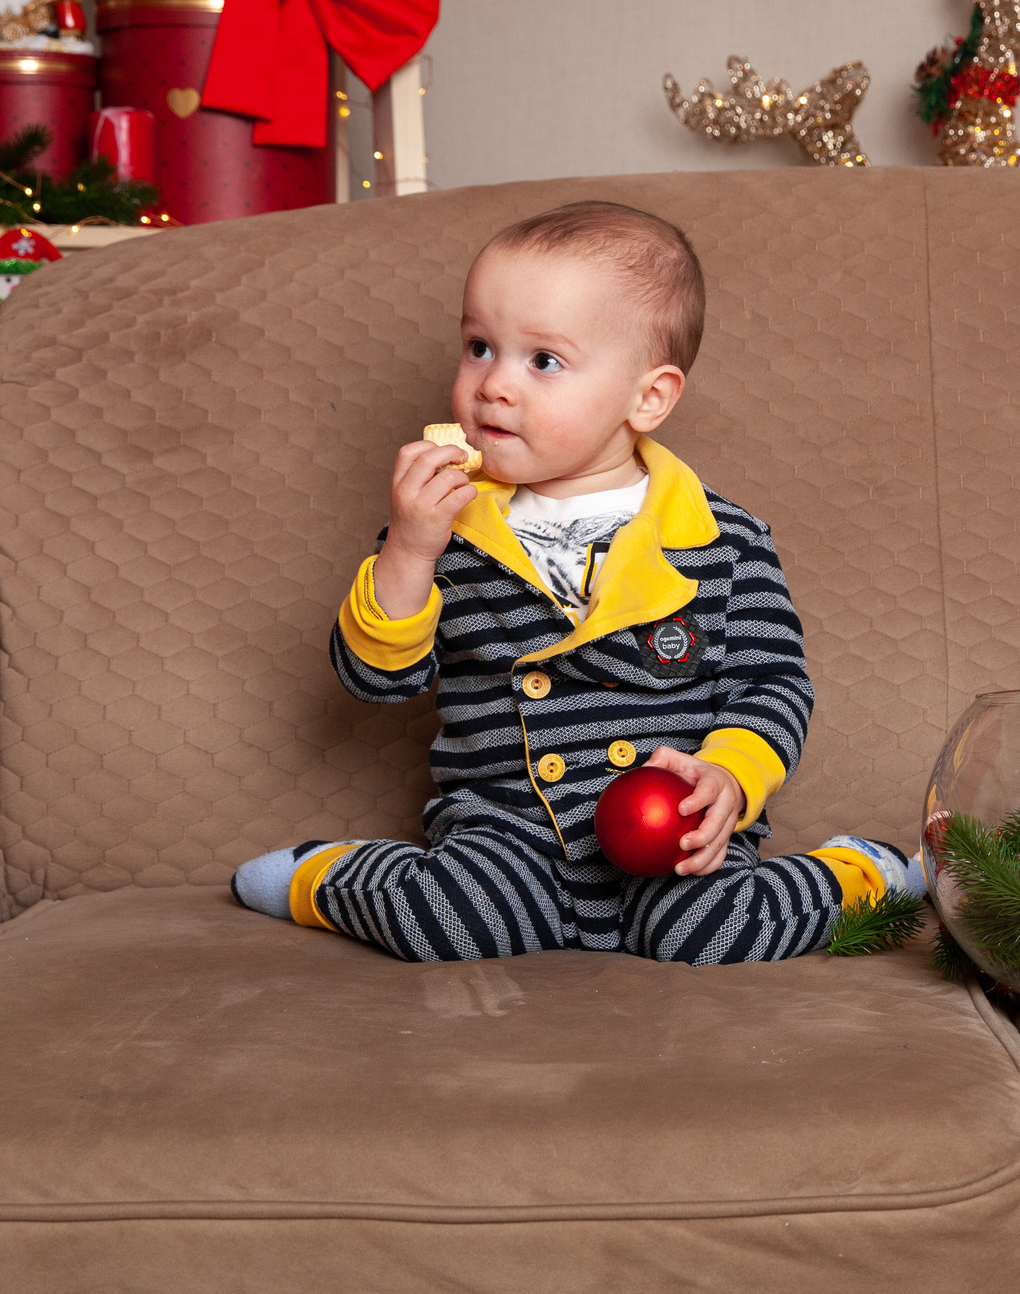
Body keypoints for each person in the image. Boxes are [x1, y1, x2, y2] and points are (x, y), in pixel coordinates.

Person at [232, 202, 918, 962]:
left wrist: (729, 774)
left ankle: (857, 873)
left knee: (711, 932)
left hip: (670, 835)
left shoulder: (722, 541)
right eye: (479, 346)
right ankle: (326, 875)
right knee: (451, 923)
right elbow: (372, 680)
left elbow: (773, 684)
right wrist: (407, 551)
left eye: (543, 361)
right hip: (506, 832)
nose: (493, 385)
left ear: (647, 397)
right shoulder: (445, 523)